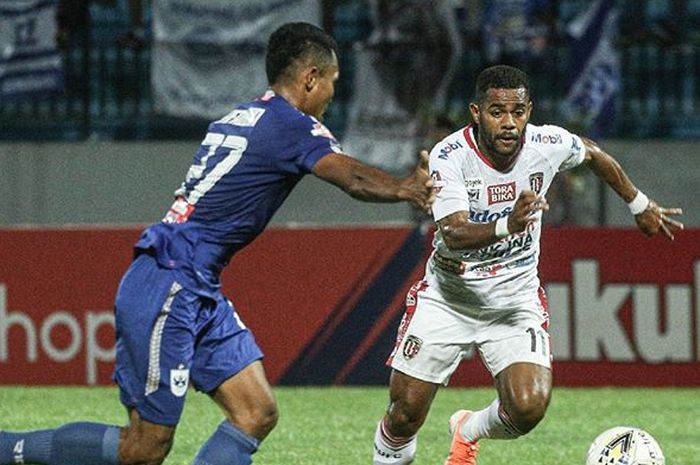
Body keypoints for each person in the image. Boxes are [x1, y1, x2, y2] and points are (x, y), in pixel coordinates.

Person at [0, 22, 433, 465]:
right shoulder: (292, 125)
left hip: (193, 280)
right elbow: (351, 176)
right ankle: (7, 447)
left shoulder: (246, 115)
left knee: (255, 412)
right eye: (331, 83)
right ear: (310, 79)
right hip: (170, 279)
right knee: (143, 448)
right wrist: (404, 188)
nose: (331, 96)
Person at [372, 64, 684, 465]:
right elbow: (453, 233)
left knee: (528, 408)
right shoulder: (450, 157)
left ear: (529, 111)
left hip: (514, 302)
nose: (509, 123)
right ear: (475, 112)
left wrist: (638, 203)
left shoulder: (546, 143)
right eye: (497, 112)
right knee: (404, 415)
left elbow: (592, 153)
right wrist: (508, 223)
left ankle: (468, 428)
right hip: (450, 299)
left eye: (518, 112)